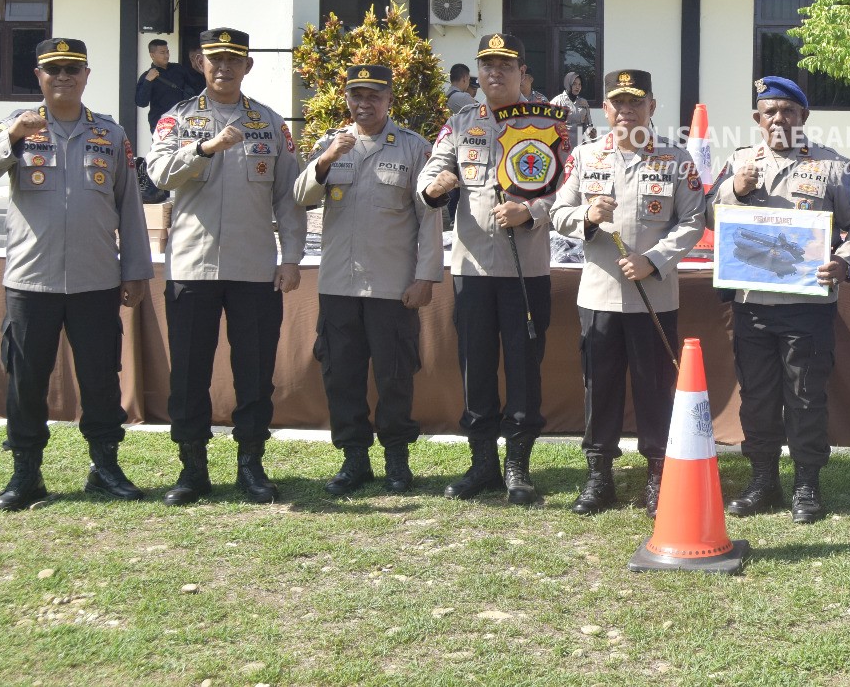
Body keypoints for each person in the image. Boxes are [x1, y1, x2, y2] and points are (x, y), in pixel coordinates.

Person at [0, 38, 153, 510]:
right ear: (38, 76)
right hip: (32, 281)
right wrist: (10, 139)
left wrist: (135, 271)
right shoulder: (17, 128)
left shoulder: (110, 134)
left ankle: (105, 467)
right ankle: (26, 473)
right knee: (27, 378)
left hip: (96, 279)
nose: (63, 77)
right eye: (54, 70)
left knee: (101, 377)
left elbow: (129, 207)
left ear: (87, 75)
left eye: (72, 69)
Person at [146, 27, 305, 505]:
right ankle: (192, 468)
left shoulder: (271, 124)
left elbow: (289, 198)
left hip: (254, 268)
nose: (224, 67)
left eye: (234, 59)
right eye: (215, 59)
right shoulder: (176, 121)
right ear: (199, 63)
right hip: (192, 268)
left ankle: (251, 464)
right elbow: (156, 175)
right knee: (190, 372)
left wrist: (292, 258)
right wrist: (204, 149)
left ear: (248, 66)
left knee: (254, 371)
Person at [707, 76, 850, 523]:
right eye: (770, 112)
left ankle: (806, 485)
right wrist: (735, 191)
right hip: (753, 302)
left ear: (804, 117)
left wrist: (843, 260)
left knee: (805, 396)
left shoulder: (832, 166)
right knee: (758, 398)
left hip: (808, 305)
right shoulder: (740, 162)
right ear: (757, 120)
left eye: (788, 111)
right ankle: (763, 480)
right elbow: (708, 215)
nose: (779, 119)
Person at [550, 68, 705, 516]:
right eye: (618, 102)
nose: (626, 110)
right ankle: (600, 475)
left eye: (635, 102)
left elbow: (694, 221)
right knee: (600, 388)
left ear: (651, 107)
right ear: (605, 108)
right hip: (599, 297)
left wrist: (653, 259)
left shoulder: (676, 160)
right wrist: (587, 218)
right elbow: (558, 212)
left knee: (656, 388)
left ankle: (659, 473)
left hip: (654, 297)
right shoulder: (585, 156)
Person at [419, 34, 558, 505]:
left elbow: (568, 187)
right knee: (474, 367)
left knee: (523, 369)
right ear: (477, 74)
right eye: (487, 66)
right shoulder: (460, 124)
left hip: (527, 271)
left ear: (523, 72)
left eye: (505, 65)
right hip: (473, 270)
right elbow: (431, 172)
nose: (495, 73)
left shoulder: (549, 125)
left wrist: (532, 212)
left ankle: (518, 466)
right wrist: (436, 186)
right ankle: (482, 464)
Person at [295, 64, 443, 496]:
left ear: (389, 99)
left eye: (373, 96)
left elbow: (429, 217)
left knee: (395, 375)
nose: (364, 104)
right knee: (341, 375)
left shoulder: (414, 149)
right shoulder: (330, 144)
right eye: (357, 96)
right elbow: (301, 198)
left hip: (392, 287)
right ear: (346, 99)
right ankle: (353, 458)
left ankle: (396, 457)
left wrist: (425, 277)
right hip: (339, 284)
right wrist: (325, 159)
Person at [134, 38, 204, 132]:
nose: (166, 55)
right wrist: (148, 81)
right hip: (161, 124)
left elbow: (197, 87)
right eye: (162, 53)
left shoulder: (178, 69)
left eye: (167, 52)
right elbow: (141, 102)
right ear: (152, 55)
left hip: (183, 121)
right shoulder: (147, 76)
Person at [551, 70, 597, 151]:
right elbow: (549, 124)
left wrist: (591, 132)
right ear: (568, 83)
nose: (577, 87)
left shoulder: (583, 102)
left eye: (579, 84)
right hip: (563, 145)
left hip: (580, 144)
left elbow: (588, 124)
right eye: (574, 84)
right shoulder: (557, 101)